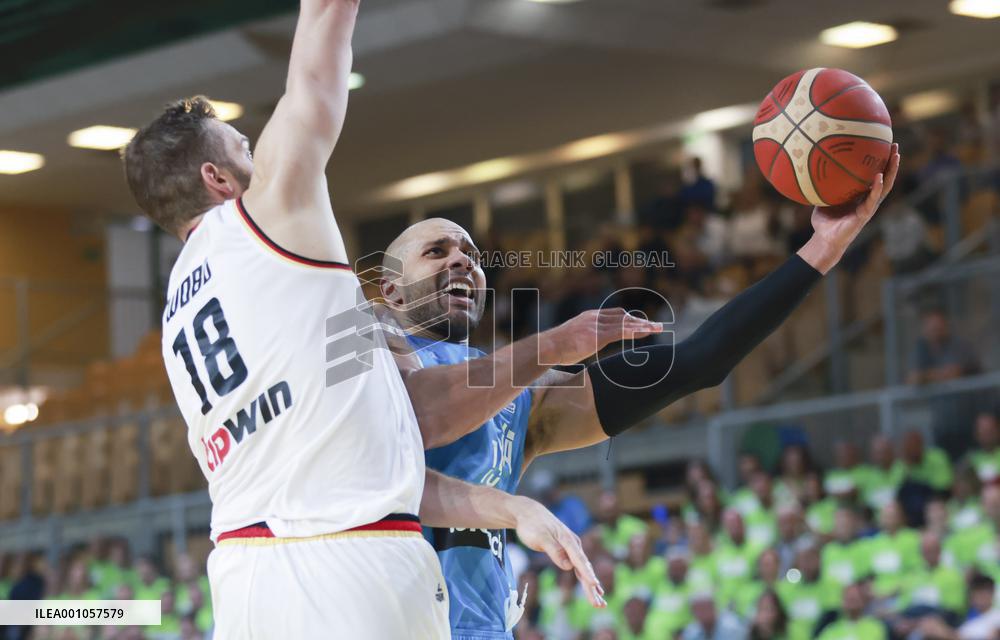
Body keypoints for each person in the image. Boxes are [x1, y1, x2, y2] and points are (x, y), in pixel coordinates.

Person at [121, 1, 600, 637]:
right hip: (353, 564)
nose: (260, 155)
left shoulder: (178, 308)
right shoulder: (268, 217)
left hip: (242, 579)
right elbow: (317, 65)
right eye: (244, 147)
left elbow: (383, 457)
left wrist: (510, 509)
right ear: (219, 179)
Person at [376, 144, 901, 640]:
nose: (463, 260)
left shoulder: (522, 399)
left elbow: (701, 360)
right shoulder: (367, 354)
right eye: (437, 251)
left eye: (469, 253)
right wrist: (555, 344)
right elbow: (424, 415)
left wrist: (821, 249)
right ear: (392, 289)